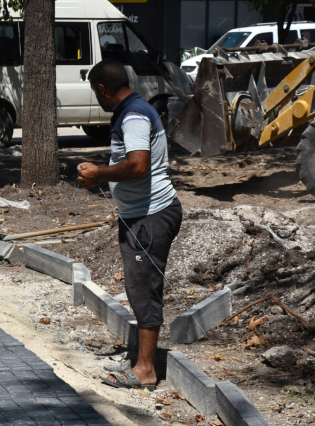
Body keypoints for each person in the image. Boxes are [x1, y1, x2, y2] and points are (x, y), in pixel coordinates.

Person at [77, 58, 182, 390]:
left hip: (150, 217)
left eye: (96, 92)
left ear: (103, 89)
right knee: (140, 289)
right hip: (141, 214)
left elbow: (137, 166)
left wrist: (100, 174)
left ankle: (146, 370)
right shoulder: (136, 110)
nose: (96, 97)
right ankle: (142, 358)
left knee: (144, 290)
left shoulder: (134, 116)